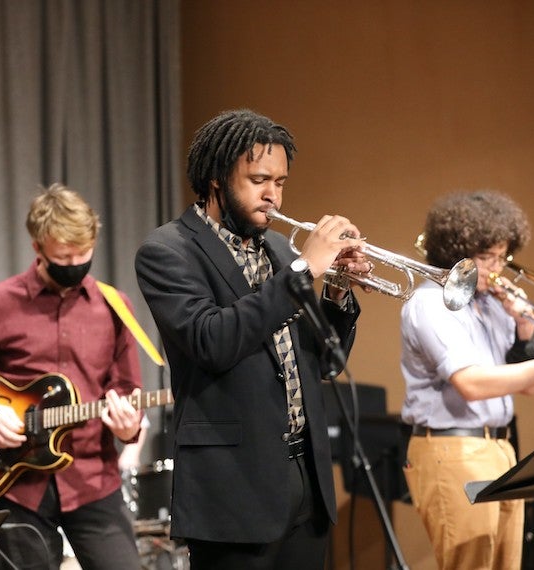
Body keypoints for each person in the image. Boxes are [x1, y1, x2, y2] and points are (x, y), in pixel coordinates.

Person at [134, 108, 372, 570]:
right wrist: (304, 270)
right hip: (233, 492)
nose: (273, 196)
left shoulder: (280, 249)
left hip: (306, 482)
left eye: (280, 182)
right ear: (218, 178)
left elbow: (325, 362)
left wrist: (337, 290)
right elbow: (213, 341)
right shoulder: (167, 251)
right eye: (259, 180)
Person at [400, 189, 534, 570]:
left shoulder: (492, 305)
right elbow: (471, 384)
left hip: (500, 449)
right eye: (485, 258)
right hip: (451, 449)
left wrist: (526, 330)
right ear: (454, 252)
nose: (494, 269)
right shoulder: (430, 302)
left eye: (500, 258)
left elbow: (528, 386)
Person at [0, 184, 145, 570]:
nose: (74, 263)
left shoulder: (114, 305)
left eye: (83, 254)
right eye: (63, 257)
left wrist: (129, 428)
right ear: (37, 248)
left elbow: (127, 387)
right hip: (18, 482)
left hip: (94, 478)